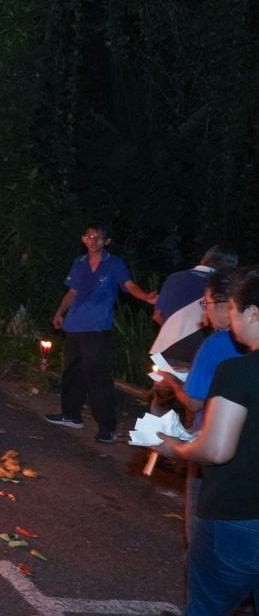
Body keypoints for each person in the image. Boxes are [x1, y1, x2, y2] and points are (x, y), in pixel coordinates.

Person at [152, 266, 259, 615]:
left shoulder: (239, 370)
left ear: (252, 313)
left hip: (236, 516)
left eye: (233, 310)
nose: (229, 318)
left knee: (207, 607)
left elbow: (216, 448)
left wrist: (175, 448)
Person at [151, 270, 244, 541]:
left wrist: (171, 381)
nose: (204, 314)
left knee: (201, 537)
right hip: (247, 454)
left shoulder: (215, 343)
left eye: (206, 304)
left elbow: (195, 400)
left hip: (211, 446)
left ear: (227, 304)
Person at [47, 224, 158, 443]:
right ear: (83, 239)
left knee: (98, 377)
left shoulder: (113, 264)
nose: (94, 241)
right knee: (72, 373)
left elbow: (129, 285)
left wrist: (145, 296)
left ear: (106, 241)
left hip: (97, 328)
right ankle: (71, 415)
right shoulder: (79, 263)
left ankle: (107, 426)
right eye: (90, 236)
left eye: (98, 238)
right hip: (75, 325)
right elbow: (72, 291)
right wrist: (59, 313)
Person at [150, 246, 238, 367]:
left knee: (164, 384)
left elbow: (157, 316)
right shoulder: (222, 287)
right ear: (229, 267)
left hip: (165, 350)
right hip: (200, 355)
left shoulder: (173, 278)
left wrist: (175, 332)